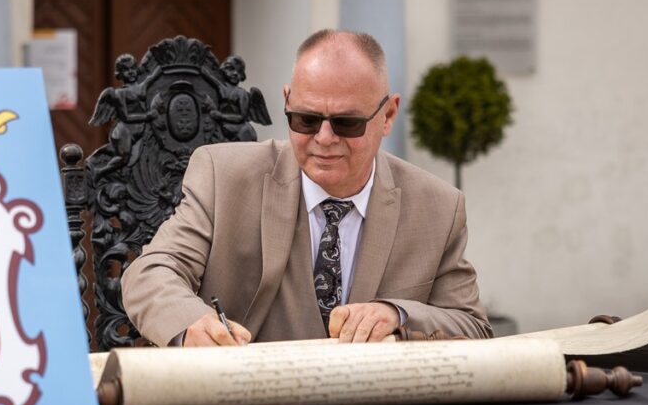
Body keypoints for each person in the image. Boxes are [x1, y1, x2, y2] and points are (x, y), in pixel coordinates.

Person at [121, 29, 492, 347]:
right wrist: (192, 324)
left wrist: (398, 315)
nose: (324, 138)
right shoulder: (223, 177)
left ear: (388, 115)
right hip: (243, 400)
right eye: (306, 119)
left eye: (347, 123)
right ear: (287, 101)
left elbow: (473, 327)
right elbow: (150, 273)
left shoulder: (438, 207)